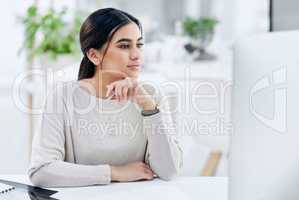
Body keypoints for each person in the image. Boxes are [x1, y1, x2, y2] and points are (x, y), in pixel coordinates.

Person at [28, 8, 183, 187]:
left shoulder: (150, 95)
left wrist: (149, 108)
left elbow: (169, 171)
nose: (136, 55)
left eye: (139, 45)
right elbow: (41, 171)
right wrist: (115, 172)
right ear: (94, 55)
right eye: (124, 46)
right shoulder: (62, 97)